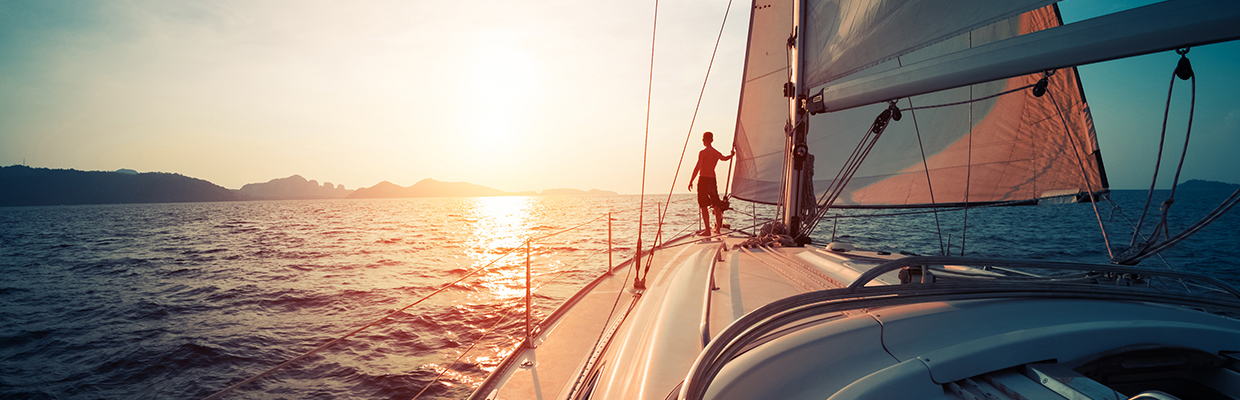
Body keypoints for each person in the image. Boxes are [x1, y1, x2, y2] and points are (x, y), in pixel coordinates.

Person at [688, 131, 734, 236]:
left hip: (704, 179)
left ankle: (708, 230)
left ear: (704, 140)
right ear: (712, 140)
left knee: (703, 205)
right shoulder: (716, 153)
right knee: (716, 205)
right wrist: (731, 155)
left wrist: (691, 180)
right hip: (712, 180)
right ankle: (717, 229)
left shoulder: (702, 153)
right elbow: (724, 158)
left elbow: (698, 167)